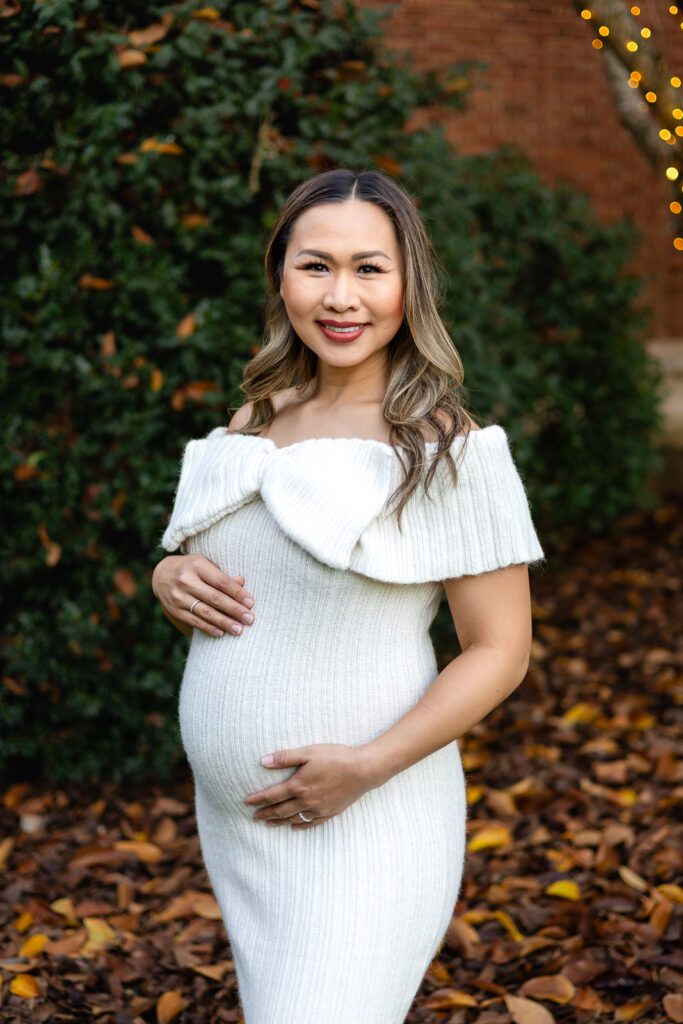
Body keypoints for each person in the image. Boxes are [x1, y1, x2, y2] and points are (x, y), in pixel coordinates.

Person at [152, 168, 545, 1024]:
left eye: (370, 268)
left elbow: (500, 650)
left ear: (410, 284)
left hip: (368, 818)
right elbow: (212, 562)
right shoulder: (253, 420)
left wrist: (365, 767)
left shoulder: (446, 449)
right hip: (245, 831)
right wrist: (166, 575)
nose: (341, 296)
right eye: (314, 265)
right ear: (279, 275)